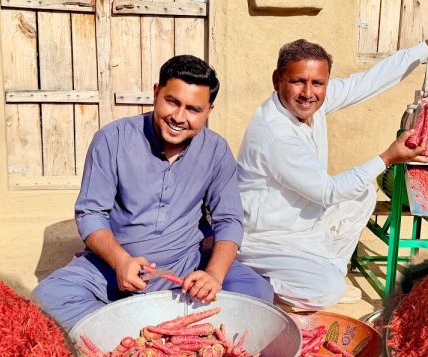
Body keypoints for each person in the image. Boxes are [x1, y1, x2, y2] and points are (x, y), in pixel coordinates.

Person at [236, 25, 428, 309]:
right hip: (267, 236)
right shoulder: (275, 133)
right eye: (298, 81)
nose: (308, 93)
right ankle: (257, 280)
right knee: (327, 291)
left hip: (302, 222)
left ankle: (323, 271)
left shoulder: (311, 102)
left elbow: (369, 81)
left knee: (361, 195)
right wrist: (388, 157)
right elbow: (327, 192)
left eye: (318, 83)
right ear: (278, 80)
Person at [33, 55, 273, 330]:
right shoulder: (113, 139)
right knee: (47, 300)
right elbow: (90, 214)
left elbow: (229, 220)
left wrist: (213, 275)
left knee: (257, 292)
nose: (179, 118)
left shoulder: (216, 150)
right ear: (157, 93)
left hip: (186, 268)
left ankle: (134, 330)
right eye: (172, 102)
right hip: (113, 269)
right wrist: (120, 261)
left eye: (194, 109)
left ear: (209, 110)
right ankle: (166, 330)